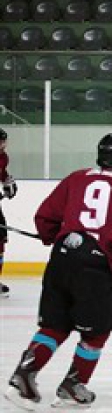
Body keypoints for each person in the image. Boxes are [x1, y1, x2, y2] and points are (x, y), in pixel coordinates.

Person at [4, 134, 112, 410]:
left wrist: (55, 236)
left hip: (61, 261)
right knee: (97, 330)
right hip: (93, 268)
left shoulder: (76, 178)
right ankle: (72, 387)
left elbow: (44, 218)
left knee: (54, 326)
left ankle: (23, 377)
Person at [0, 127, 18, 298]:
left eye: (4, 140)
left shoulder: (3, 157)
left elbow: (3, 174)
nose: (4, 144)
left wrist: (7, 183)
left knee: (0, 241)